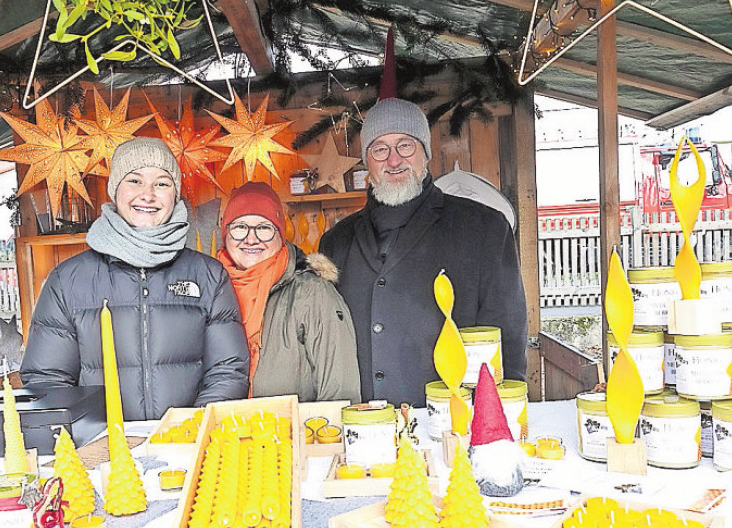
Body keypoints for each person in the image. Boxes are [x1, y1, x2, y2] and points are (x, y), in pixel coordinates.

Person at [20, 138, 249, 420]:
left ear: (175, 195)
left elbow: (228, 369)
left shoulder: (209, 275)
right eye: (135, 181)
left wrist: (191, 429)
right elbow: (47, 378)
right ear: (115, 190)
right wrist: (91, 435)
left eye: (162, 183)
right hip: (100, 448)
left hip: (186, 444)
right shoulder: (67, 280)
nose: (148, 195)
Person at [319, 97, 527, 406]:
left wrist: (500, 418)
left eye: (405, 145)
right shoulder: (336, 241)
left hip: (452, 422)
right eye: (380, 149)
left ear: (425, 154)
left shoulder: (484, 228)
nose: (393, 160)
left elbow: (507, 336)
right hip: (363, 424)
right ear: (367, 161)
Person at [215, 182, 361, 403]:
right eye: (239, 227)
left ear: (280, 234)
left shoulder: (312, 293)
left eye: (264, 227)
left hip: (294, 434)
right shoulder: (210, 290)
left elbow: (340, 389)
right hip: (225, 435)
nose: (251, 238)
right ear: (225, 234)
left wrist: (325, 435)